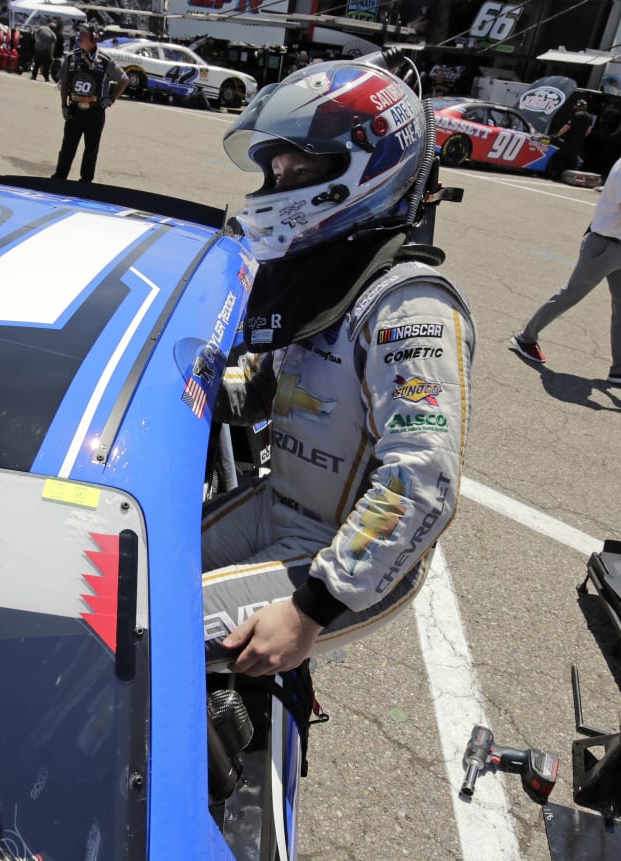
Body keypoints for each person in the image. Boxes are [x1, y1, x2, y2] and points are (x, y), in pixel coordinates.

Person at [200, 54, 476, 676]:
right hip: (278, 503)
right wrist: (184, 385)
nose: (278, 185)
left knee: (145, 636)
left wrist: (309, 611)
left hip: (340, 558)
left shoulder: (409, 305)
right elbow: (263, 393)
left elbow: (423, 478)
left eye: (298, 168)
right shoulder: (327, 277)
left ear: (364, 168)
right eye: (275, 170)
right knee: (123, 575)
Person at [510, 157, 621, 384]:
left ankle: (618, 370)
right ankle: (525, 338)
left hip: (615, 245)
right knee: (571, 294)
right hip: (604, 246)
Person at [51, 25, 126, 183]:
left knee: (91, 149)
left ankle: (86, 182)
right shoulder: (71, 58)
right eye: (79, 33)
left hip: (95, 111)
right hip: (74, 110)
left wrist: (111, 98)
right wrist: (63, 105)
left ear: (94, 38)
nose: (79, 37)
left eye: (83, 34)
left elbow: (124, 79)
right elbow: (64, 82)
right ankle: (59, 179)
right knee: (67, 147)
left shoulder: (105, 61)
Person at [549, 99, 594, 176]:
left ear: (579, 106)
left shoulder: (576, 115)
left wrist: (558, 135)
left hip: (569, 140)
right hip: (579, 142)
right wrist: (581, 136)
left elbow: (567, 126)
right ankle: (569, 175)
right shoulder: (590, 117)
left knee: (562, 157)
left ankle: (557, 173)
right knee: (572, 158)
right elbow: (589, 130)